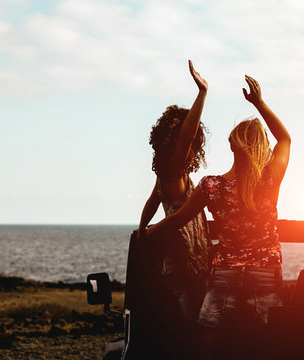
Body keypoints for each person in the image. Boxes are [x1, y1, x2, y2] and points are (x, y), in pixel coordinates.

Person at [147, 74, 291, 360]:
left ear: (231, 146)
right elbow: (285, 138)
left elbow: (176, 220)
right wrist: (260, 103)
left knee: (210, 344)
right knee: (265, 344)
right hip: (266, 273)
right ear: (260, 148)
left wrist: (147, 233)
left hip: (225, 276)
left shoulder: (211, 185)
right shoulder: (270, 180)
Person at [134, 60, 211, 358]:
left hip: (177, 249)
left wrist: (142, 229)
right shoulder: (176, 166)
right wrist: (202, 94)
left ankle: (189, 345)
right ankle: (193, 347)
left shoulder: (166, 171)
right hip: (184, 250)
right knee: (191, 305)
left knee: (184, 296)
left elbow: (154, 200)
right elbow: (188, 135)